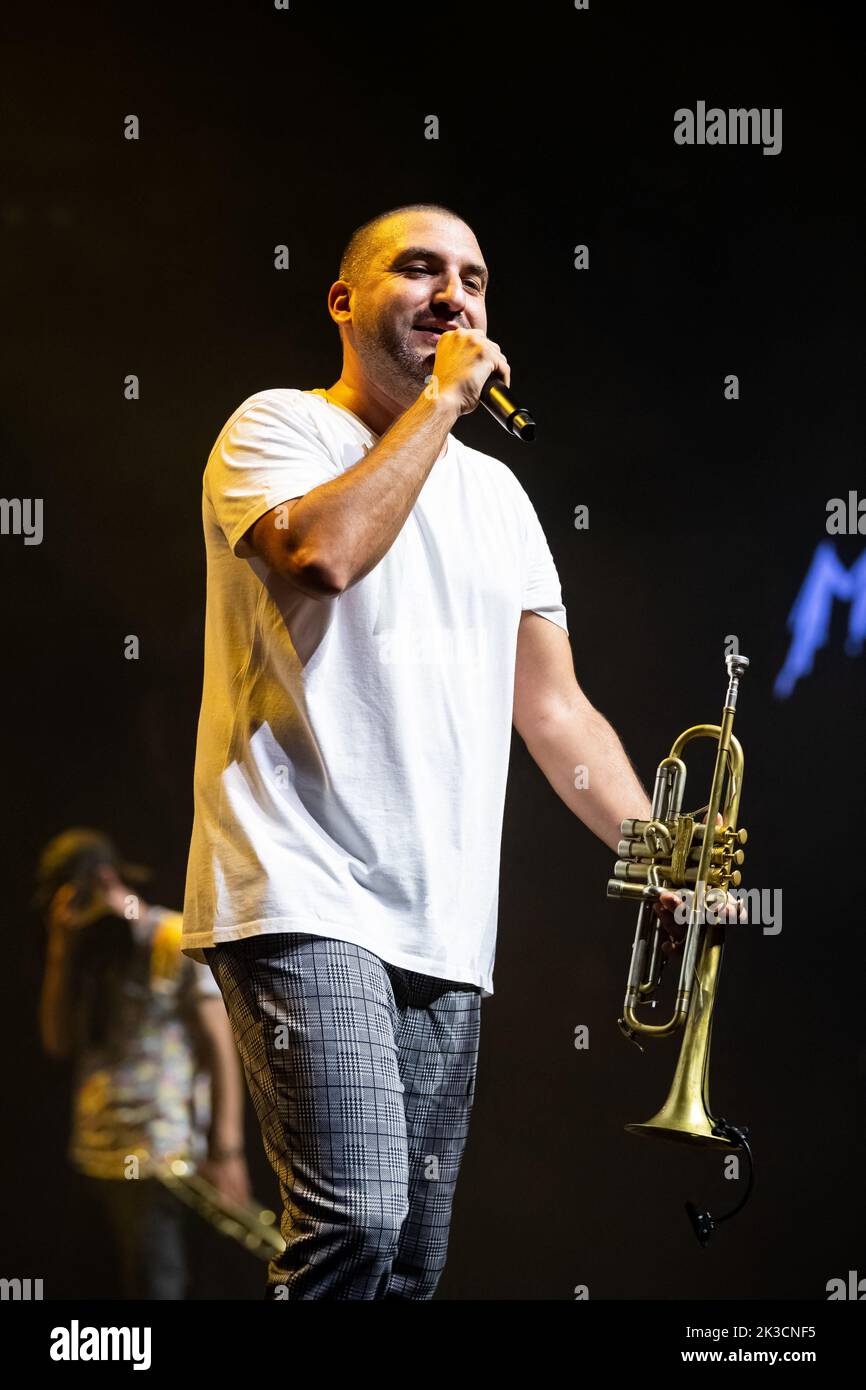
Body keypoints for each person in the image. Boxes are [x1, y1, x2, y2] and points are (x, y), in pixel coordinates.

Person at [180, 202, 709, 1300]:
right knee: (357, 1224)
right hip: (300, 887)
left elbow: (554, 710)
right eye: (418, 269)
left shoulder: (499, 499)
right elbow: (322, 555)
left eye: (471, 278)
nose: (453, 295)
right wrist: (438, 401)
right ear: (342, 300)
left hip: (443, 921)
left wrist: (655, 852)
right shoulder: (277, 427)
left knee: (411, 1268)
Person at [36, 827, 252, 1299]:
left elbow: (221, 1045)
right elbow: (56, 1042)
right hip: (93, 1152)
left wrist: (227, 1149)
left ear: (106, 878)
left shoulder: (170, 936)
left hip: (161, 1155)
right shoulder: (85, 953)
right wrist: (62, 949)